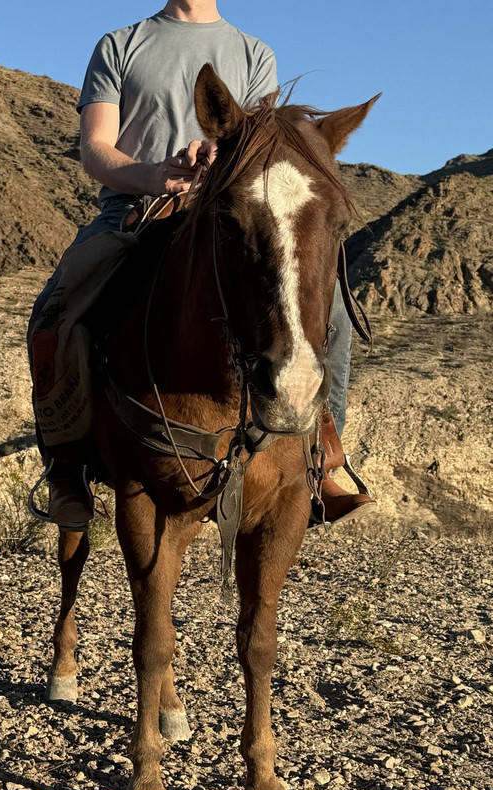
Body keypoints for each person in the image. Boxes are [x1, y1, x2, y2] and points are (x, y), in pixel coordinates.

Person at [28, 0, 374, 528]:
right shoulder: (120, 45)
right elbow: (95, 148)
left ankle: (320, 459)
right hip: (134, 207)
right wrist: (155, 175)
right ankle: (66, 467)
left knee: (336, 318)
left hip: (226, 210)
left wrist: (218, 163)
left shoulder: (254, 53)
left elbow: (263, 146)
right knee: (57, 309)